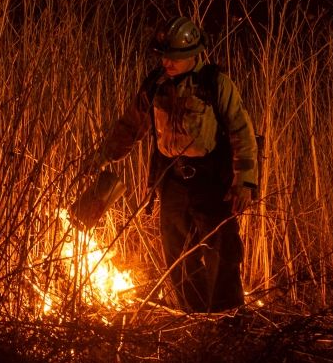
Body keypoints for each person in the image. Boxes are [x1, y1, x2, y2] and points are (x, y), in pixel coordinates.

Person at [95, 16, 259, 312]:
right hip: (172, 179)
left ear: (192, 55)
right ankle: (194, 315)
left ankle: (227, 316)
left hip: (211, 181)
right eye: (164, 56)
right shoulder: (155, 85)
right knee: (176, 251)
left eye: (173, 57)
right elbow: (131, 126)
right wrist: (104, 156)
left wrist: (244, 181)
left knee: (222, 249)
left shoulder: (214, 83)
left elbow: (241, 130)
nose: (167, 63)